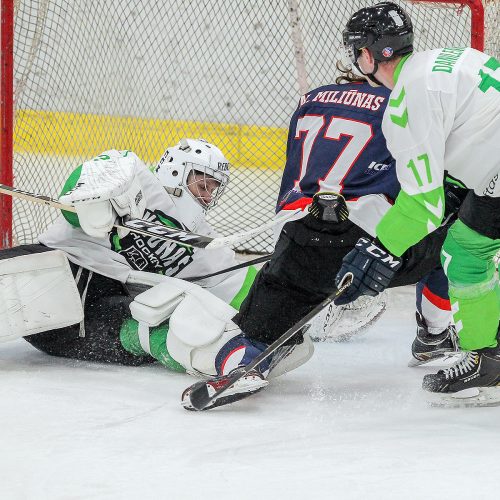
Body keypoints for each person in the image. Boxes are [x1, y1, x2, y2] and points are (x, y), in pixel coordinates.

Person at [178, 64, 463, 410]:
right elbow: (423, 186)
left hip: (299, 238)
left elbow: (295, 172)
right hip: (371, 247)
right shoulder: (400, 104)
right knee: (453, 234)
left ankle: (243, 366)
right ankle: (434, 335)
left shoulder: (309, 101)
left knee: (254, 335)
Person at [339, 1, 500, 403]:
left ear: (367, 54)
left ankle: (486, 363)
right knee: (473, 241)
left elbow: (423, 206)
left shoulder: (406, 100)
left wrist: (378, 249)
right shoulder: (449, 57)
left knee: (466, 253)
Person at [0, 139, 258, 369]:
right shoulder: (133, 175)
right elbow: (75, 197)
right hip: (64, 269)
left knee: (149, 325)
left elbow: (243, 286)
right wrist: (91, 205)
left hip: (81, 321)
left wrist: (276, 315)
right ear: (177, 171)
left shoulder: (202, 241)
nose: (207, 195)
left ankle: (228, 358)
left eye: (212, 190)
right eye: (202, 184)